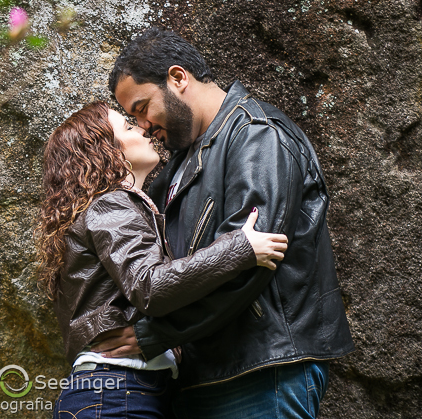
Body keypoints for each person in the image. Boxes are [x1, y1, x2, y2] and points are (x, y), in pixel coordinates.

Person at [97, 27, 355, 418]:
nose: (144, 125)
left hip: (263, 371)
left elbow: (250, 264)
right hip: (204, 373)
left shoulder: (257, 136)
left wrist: (155, 335)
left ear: (178, 78)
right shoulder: (180, 164)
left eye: (142, 108)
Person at [37, 100, 288, 419]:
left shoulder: (111, 209)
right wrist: (240, 248)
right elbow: (151, 286)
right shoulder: (110, 206)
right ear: (103, 150)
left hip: (119, 392)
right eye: (128, 126)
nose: (142, 127)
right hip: (116, 394)